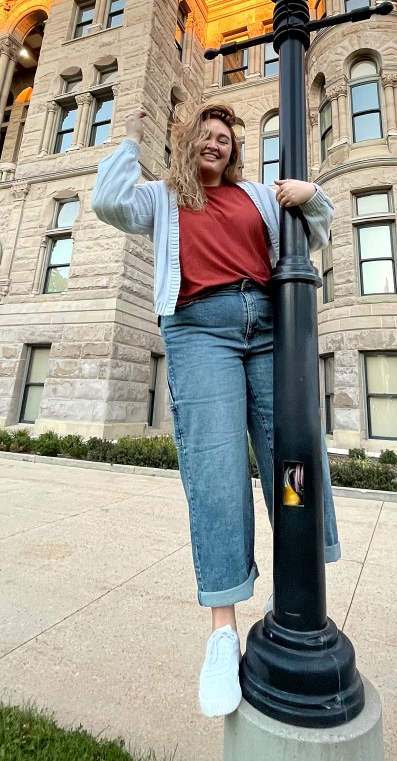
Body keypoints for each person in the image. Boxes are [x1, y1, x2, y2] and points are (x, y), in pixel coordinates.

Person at [92, 103, 341, 718]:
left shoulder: (258, 196)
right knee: (217, 469)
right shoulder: (162, 198)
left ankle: (297, 591)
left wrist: (312, 197)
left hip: (269, 329)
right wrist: (134, 135)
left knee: (293, 459)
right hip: (200, 330)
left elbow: (314, 234)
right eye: (204, 135)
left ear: (235, 149)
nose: (215, 143)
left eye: (224, 137)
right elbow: (108, 202)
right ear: (188, 145)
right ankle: (223, 633)